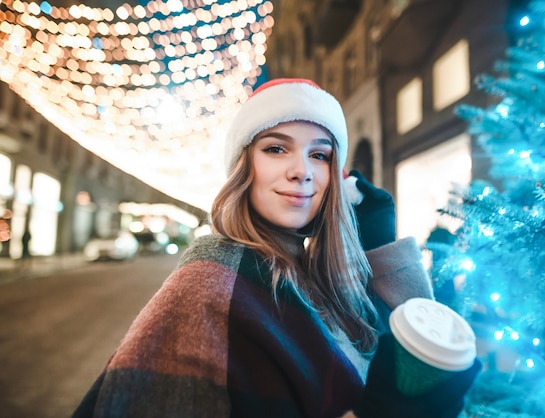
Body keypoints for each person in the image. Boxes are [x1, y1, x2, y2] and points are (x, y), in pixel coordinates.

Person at [72, 78, 480, 418]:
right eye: (275, 148)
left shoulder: (313, 273)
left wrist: (380, 250)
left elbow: (416, 343)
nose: (301, 170)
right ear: (243, 168)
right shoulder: (212, 281)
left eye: (319, 154)